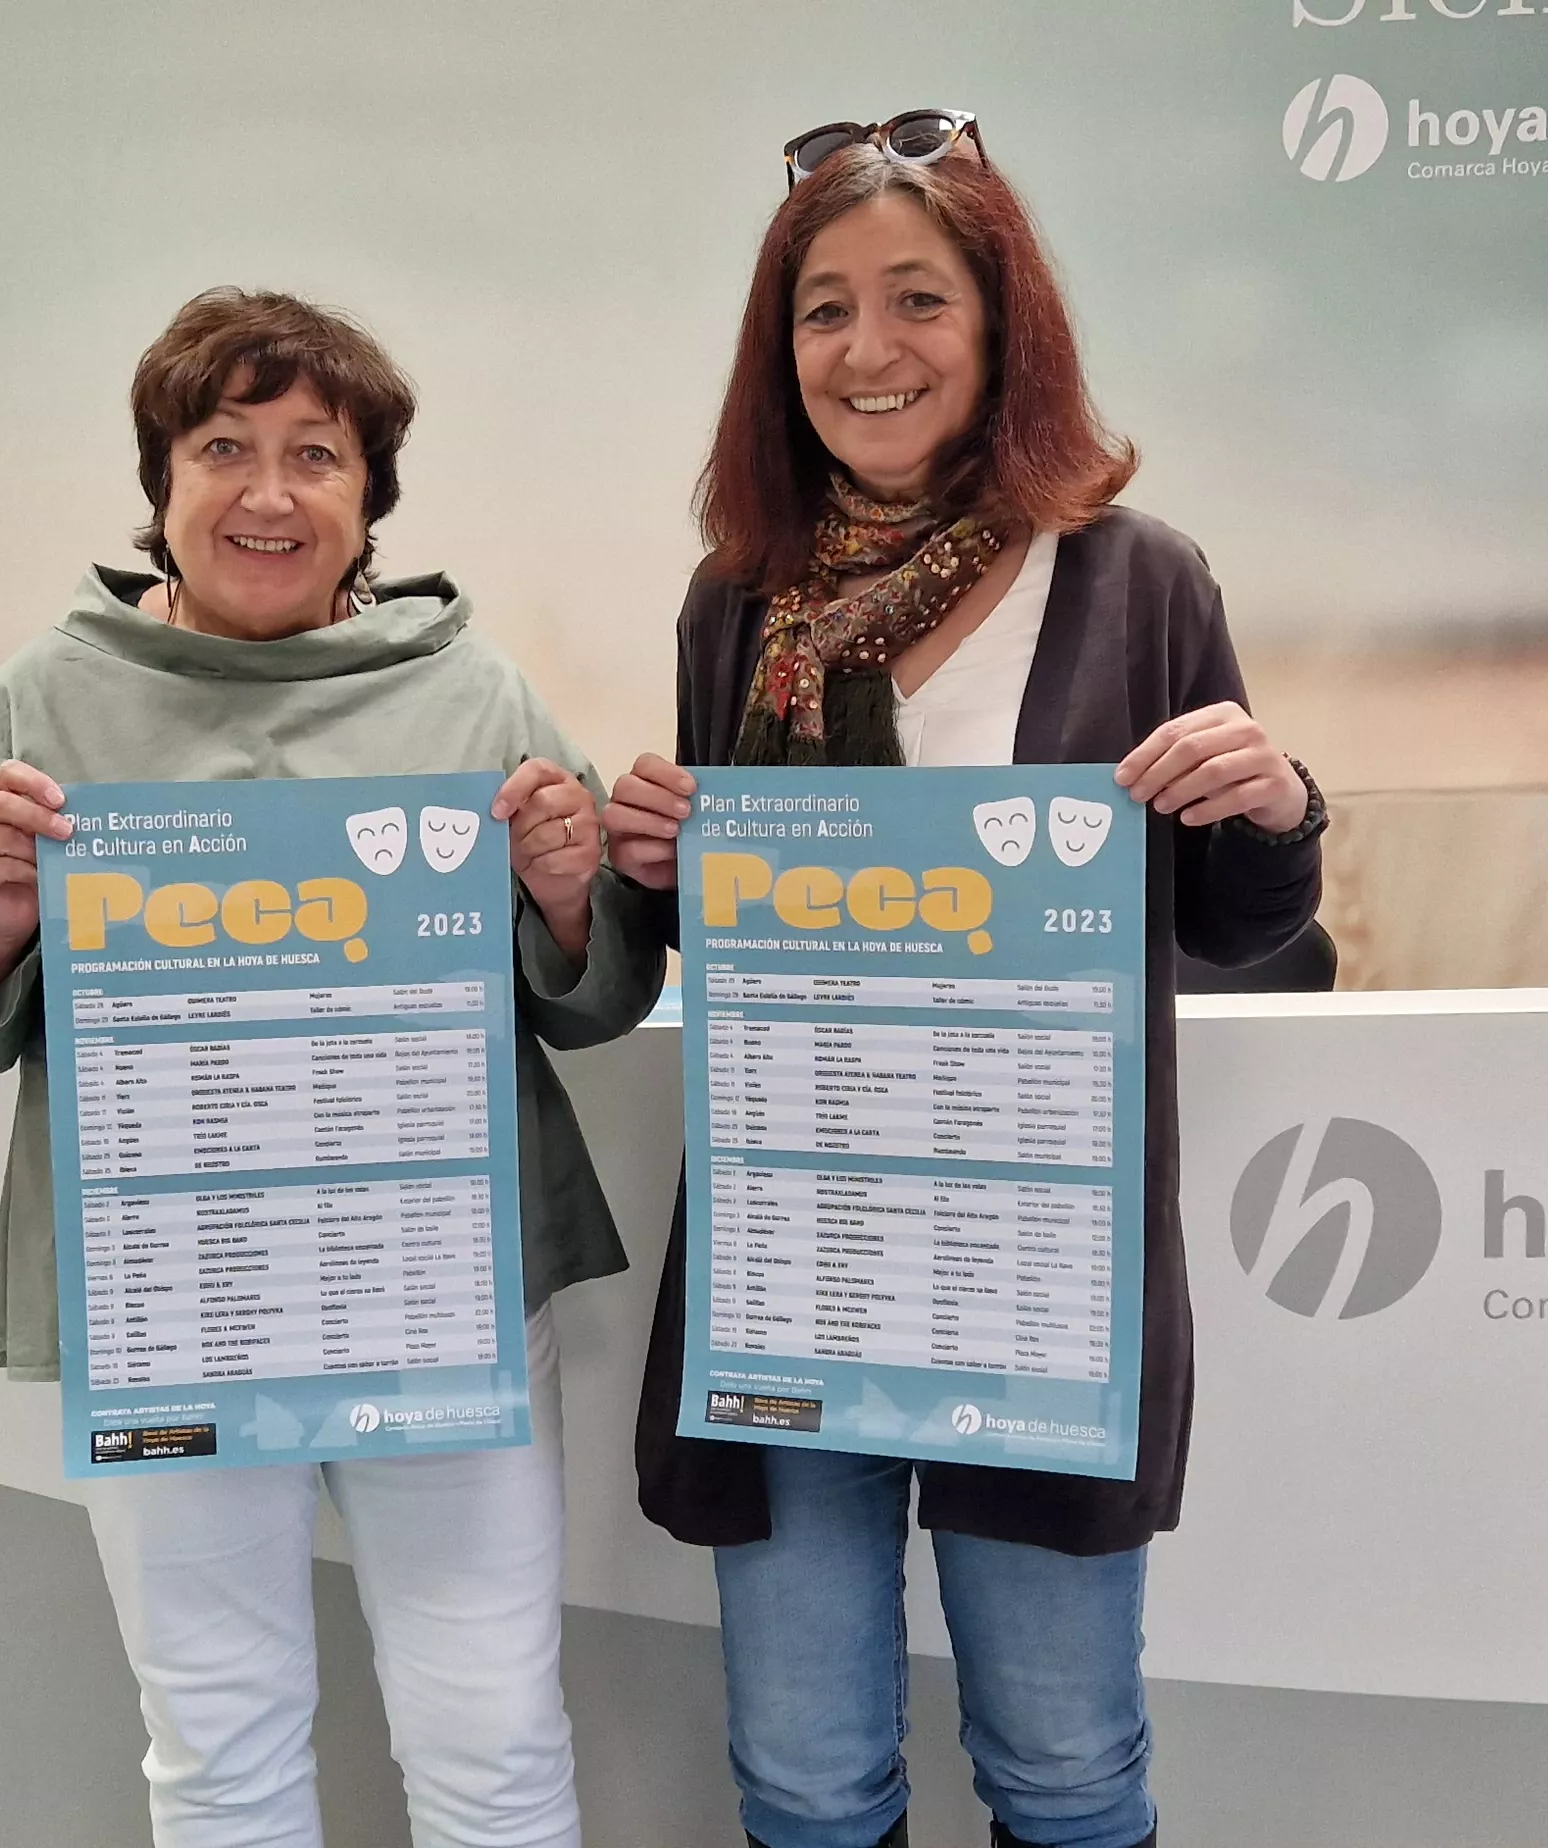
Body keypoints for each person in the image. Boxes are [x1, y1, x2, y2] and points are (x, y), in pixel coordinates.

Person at [597, 114, 1327, 1848]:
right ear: (779, 355)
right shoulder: (737, 608)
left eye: (918, 299)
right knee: (801, 1773)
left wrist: (1277, 805)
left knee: (1067, 1769)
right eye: (823, 309)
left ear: (1003, 329)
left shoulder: (1137, 578)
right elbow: (754, 944)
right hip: (801, 1266)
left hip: (1039, 1275)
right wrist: (653, 868)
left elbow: (1236, 928)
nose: (871, 350)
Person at [0, 287, 662, 1848]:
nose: (271, 491)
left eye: (319, 453)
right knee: (218, 1751)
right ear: (161, 485)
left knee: (494, 1739)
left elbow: (594, 998)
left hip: (446, 1294)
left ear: (371, 504)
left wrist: (572, 898)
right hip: (169, 1304)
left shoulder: (476, 693)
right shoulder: (42, 698)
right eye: (224, 445)